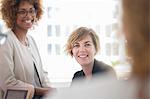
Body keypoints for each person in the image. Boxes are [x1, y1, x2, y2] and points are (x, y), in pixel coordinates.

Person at [44, 0, 149, 99]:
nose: (82, 50)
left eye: (87, 44)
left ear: (95, 48)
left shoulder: (107, 72)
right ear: (71, 50)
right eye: (76, 45)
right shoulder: (77, 77)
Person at [0, 0, 53, 99]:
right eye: (22, 12)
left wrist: (50, 90)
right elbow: (7, 82)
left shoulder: (31, 40)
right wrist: (41, 91)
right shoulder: (6, 41)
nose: (28, 16)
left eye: (31, 11)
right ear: (12, 14)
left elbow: (41, 73)